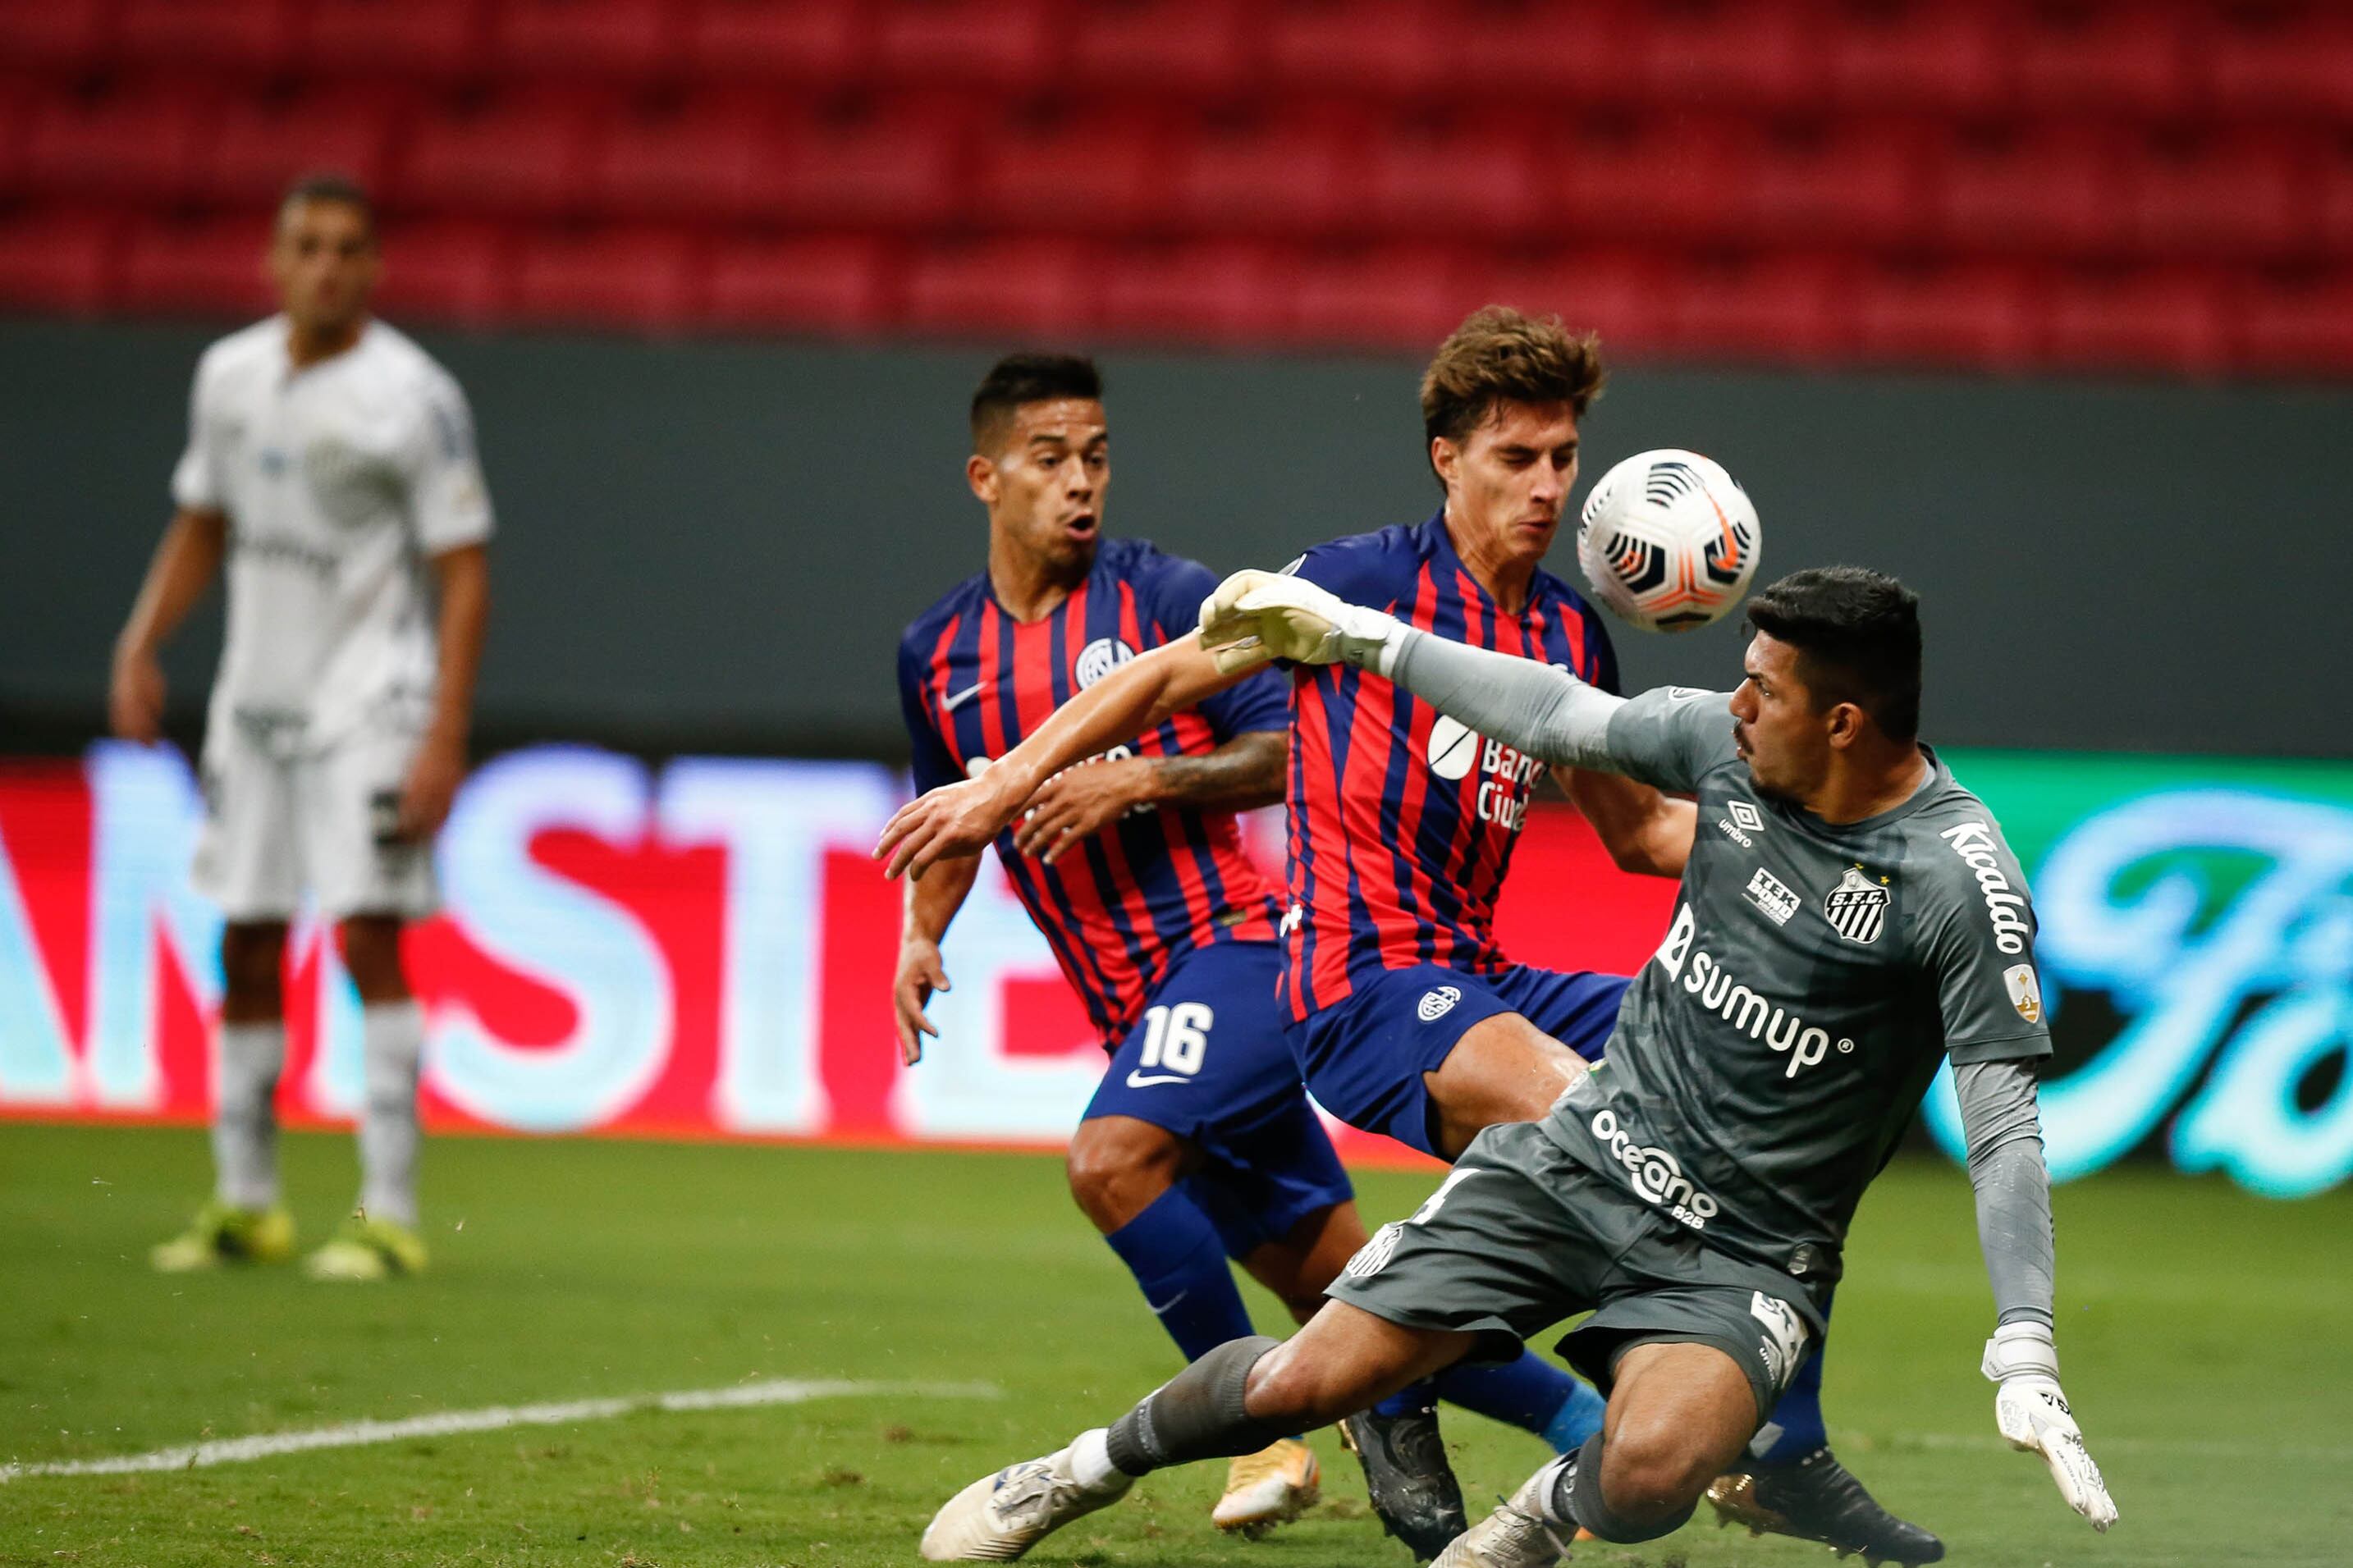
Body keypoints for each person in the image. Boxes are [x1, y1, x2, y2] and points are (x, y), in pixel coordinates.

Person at [879, 309, 1930, 1562]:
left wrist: (1814, 846)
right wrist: (1002, 789)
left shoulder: (1564, 632)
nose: (1546, 489)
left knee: (1775, 1072)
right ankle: (1470, 1382)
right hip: (1356, 986)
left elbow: (1643, 833)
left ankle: (1774, 1449)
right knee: (1597, 1119)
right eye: (1514, 460)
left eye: (1562, 460)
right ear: (1447, 458)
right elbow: (1161, 679)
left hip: (1477, 973)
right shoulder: (1357, 582)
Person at [916, 565, 2117, 1568]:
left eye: (1765, 686)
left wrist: (2025, 1342)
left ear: (1844, 721)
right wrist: (1366, 638)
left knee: (1650, 1474)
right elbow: (1553, 713)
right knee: (1298, 1385)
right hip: (1578, 1157)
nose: (1734, 700)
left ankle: (1530, 1525)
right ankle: (1082, 1469)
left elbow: (2002, 1118)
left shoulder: (1959, 881)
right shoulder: (1728, 748)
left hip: (1747, 1250)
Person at [895, 352, 1604, 1541]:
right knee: (1345, 1290)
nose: (1082, 483)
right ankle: (1583, 1428)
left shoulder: (1166, 595)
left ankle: (1260, 1439)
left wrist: (1143, 779)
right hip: (1127, 1000)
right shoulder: (936, 651)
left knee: (1114, 1162)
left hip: (1235, 954)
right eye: (1052, 458)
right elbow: (957, 806)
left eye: (1099, 457)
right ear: (986, 475)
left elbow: (1292, 747)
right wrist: (922, 932)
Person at [112, 174, 492, 1282]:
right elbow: (203, 520)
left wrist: (444, 734)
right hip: (255, 704)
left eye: (347, 249)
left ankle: (386, 1210)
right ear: (276, 261)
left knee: (367, 934)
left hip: (370, 703)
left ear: (374, 267)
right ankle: (246, 1203)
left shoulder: (411, 397)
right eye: (307, 246)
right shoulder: (227, 376)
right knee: (247, 938)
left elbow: (463, 571)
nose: (326, 266)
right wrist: (142, 643)